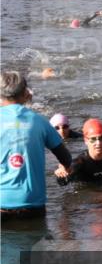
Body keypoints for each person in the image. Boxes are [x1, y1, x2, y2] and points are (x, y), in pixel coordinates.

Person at [1, 71, 74, 217]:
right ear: (25, 93)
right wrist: (66, 167)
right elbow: (65, 157)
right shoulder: (39, 121)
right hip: (32, 204)